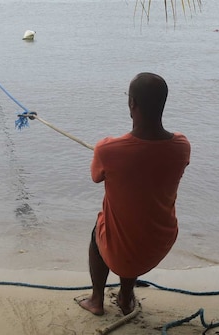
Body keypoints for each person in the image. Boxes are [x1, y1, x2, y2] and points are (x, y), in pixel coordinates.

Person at [77, 72, 191, 317]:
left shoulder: (108, 149)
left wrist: (108, 153)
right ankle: (126, 296)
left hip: (125, 249)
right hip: (159, 242)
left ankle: (96, 300)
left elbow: (96, 176)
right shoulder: (182, 146)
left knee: (99, 230)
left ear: (132, 104)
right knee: (132, 223)